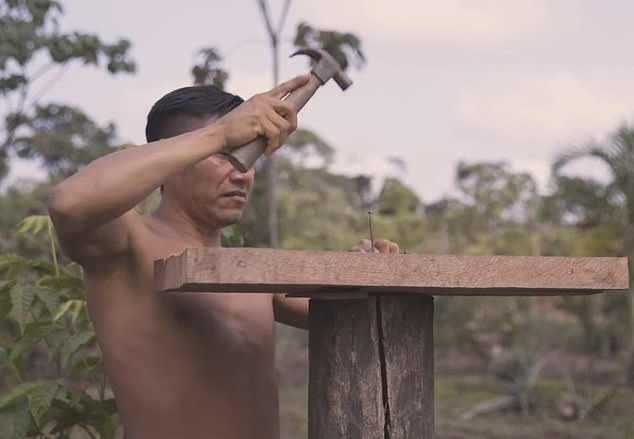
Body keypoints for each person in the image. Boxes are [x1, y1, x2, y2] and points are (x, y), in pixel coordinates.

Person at [48, 75, 400, 439]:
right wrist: (218, 135)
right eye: (226, 155)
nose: (242, 174)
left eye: (248, 157)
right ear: (175, 156)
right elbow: (69, 203)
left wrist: (364, 268)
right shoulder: (127, 247)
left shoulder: (252, 273)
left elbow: (351, 316)